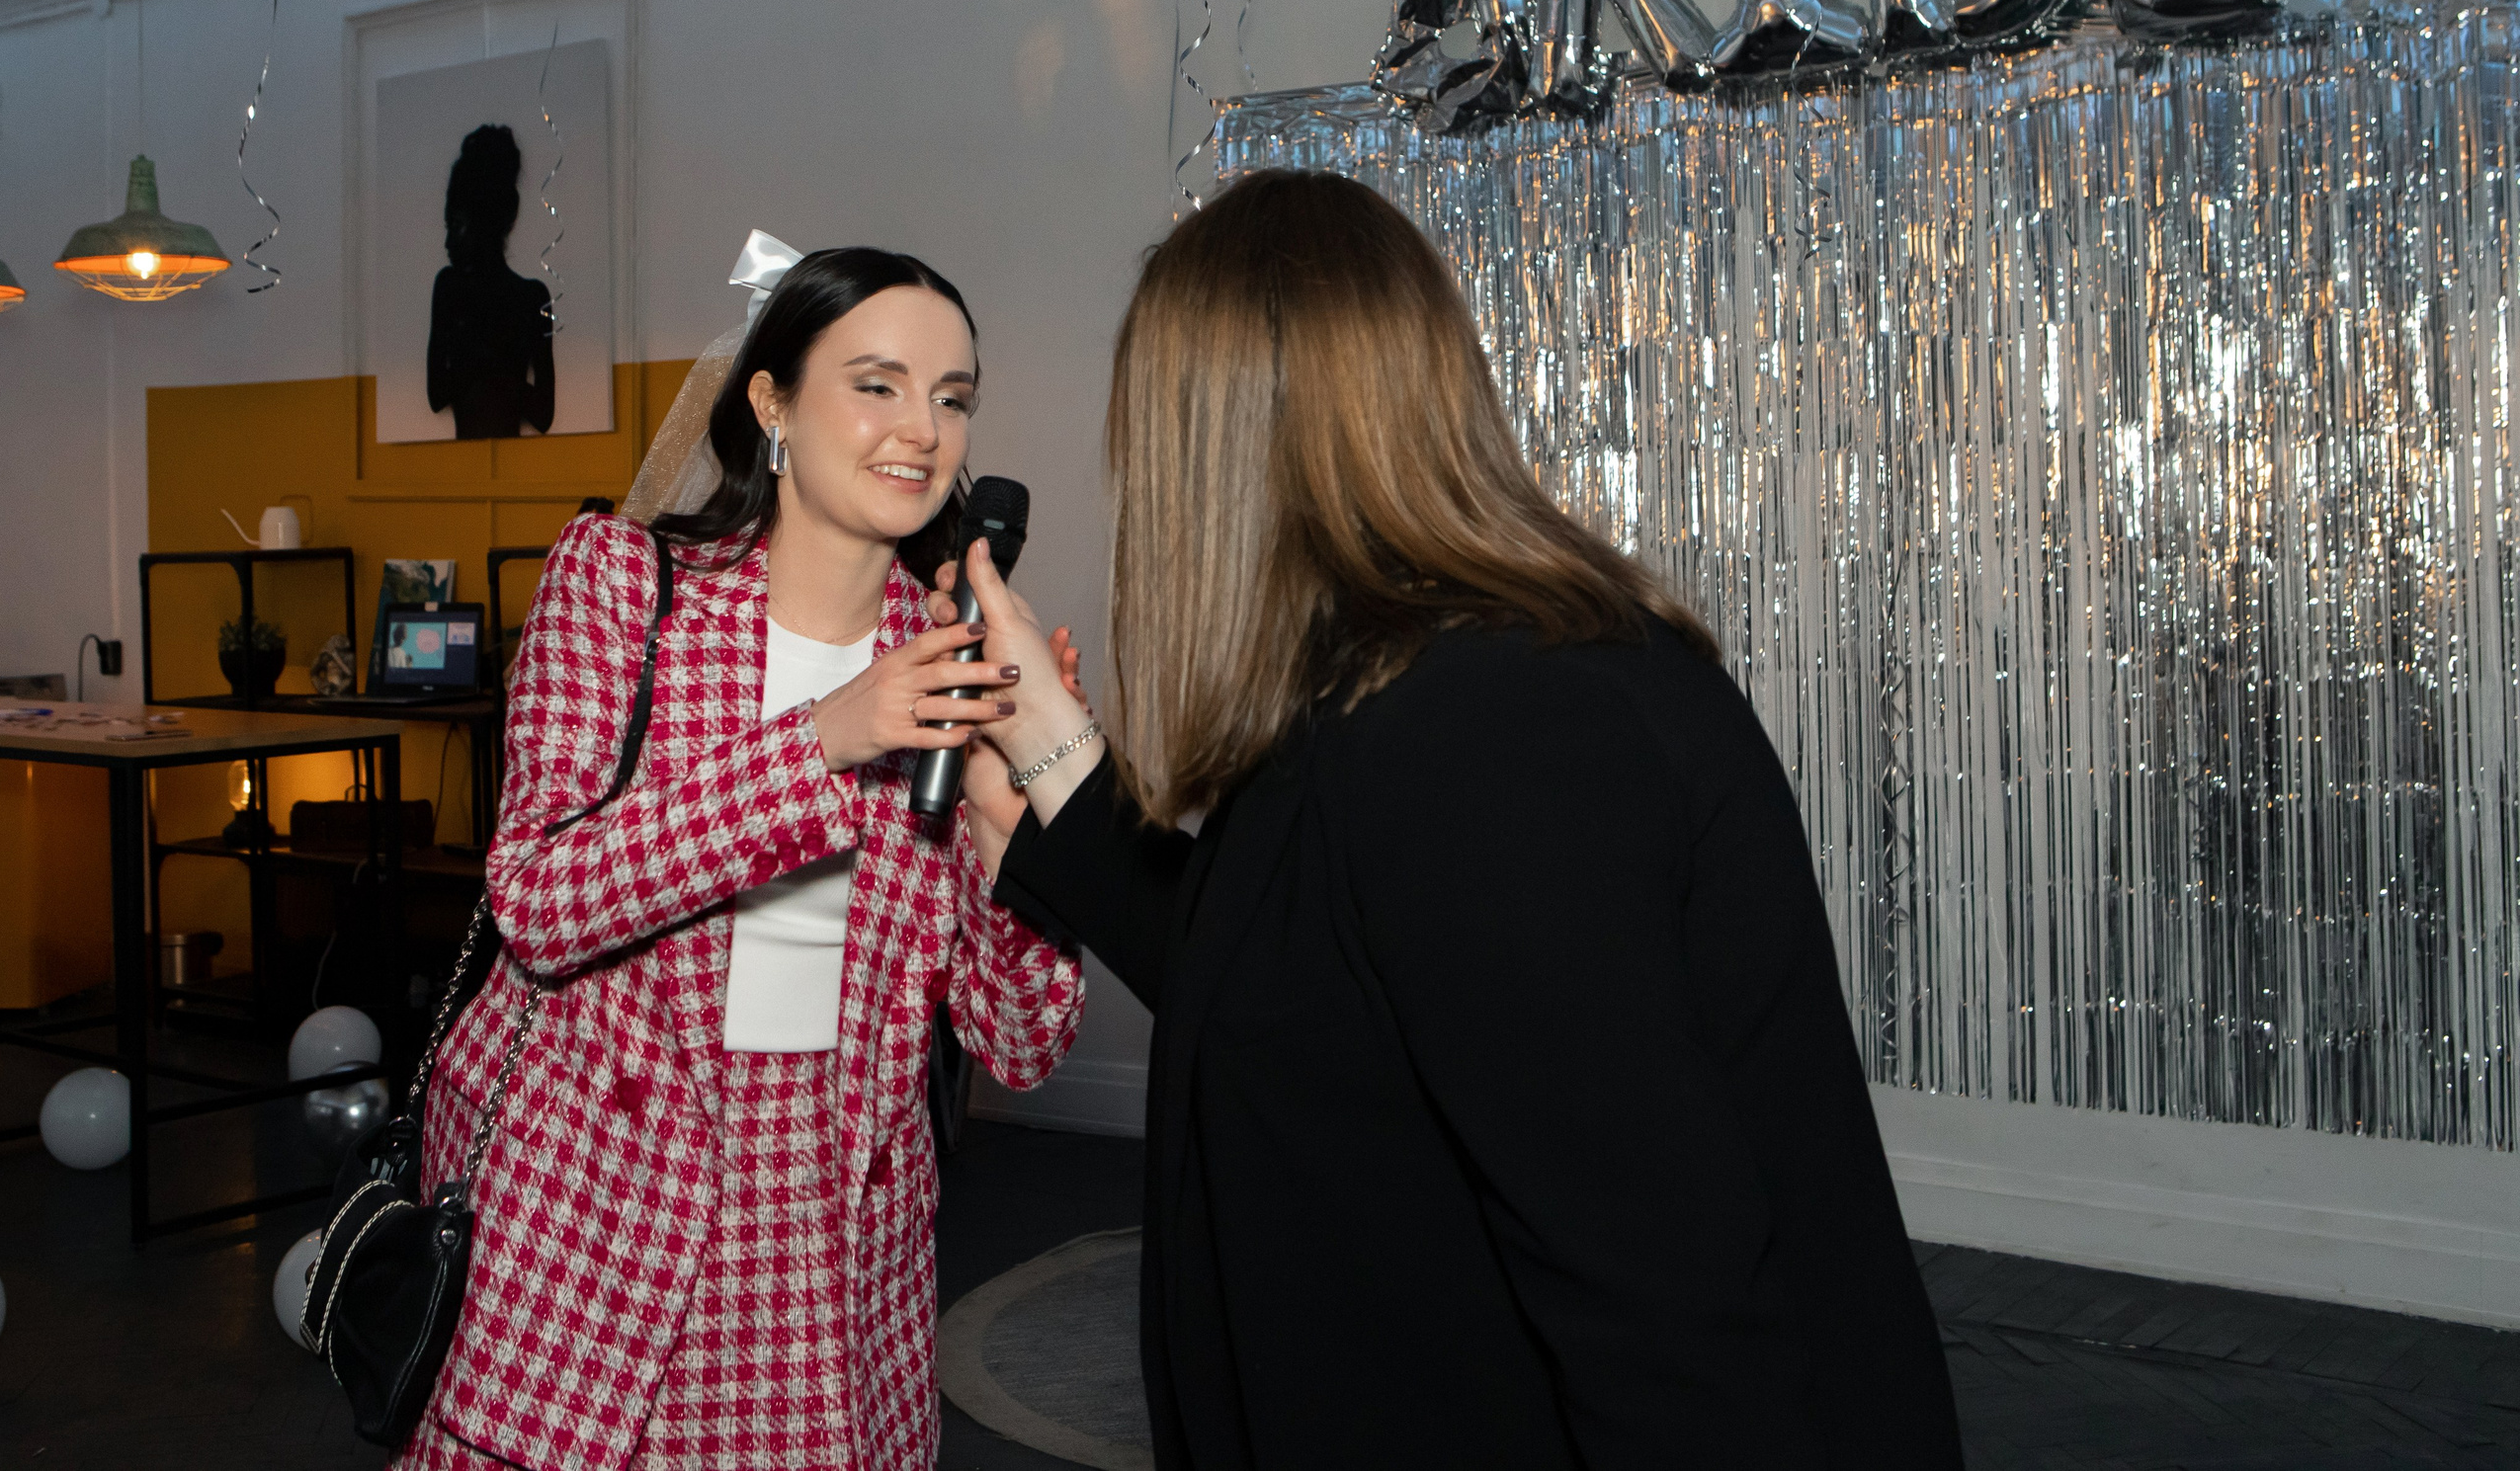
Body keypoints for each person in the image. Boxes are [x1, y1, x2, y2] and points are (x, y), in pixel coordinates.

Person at [952, 170, 1965, 1469]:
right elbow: (1308, 989)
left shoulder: (1491, 733)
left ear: (1204, 448)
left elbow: (1668, 1314)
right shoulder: (1427, 688)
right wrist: (1052, 764)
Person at [398, 246, 1087, 1469]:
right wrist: (830, 737)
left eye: (952, 395)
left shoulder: (951, 658)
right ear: (771, 402)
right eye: (876, 384)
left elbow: (1022, 1042)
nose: (920, 429)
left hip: (830, 1242)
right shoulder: (622, 585)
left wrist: (1000, 805)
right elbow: (541, 901)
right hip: (595, 1217)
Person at [425, 124, 555, 439]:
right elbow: (436, 394)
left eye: (456, 225)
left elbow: (544, 415)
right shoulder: (451, 288)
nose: (448, 241)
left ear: (486, 221)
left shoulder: (530, 296)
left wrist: (479, 365)